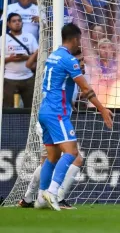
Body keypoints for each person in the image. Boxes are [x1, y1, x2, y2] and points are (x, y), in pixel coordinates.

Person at [35, 23, 113, 211]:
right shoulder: (69, 60)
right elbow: (86, 89)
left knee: (52, 157)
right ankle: (52, 192)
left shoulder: (53, 57)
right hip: (57, 112)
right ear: (75, 39)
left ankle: (40, 198)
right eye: (80, 41)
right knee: (71, 153)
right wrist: (102, 110)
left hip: (44, 110)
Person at [19, 52, 86, 210]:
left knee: (49, 161)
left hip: (55, 119)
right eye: (80, 60)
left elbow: (66, 98)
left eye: (84, 61)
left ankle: (29, 197)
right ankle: (56, 196)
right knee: (74, 158)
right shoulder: (66, 72)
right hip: (52, 120)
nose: (82, 64)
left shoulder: (71, 77)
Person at [1, 13, 38, 108]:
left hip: (28, 78)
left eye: (19, 20)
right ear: (8, 24)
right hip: (9, 78)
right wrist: (10, 59)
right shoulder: (3, 39)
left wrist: (26, 57)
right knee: (8, 109)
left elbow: (38, 56)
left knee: (31, 108)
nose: (17, 23)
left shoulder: (30, 37)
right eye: (14, 21)